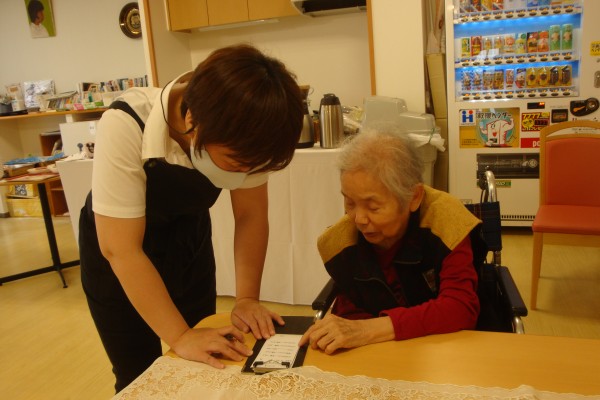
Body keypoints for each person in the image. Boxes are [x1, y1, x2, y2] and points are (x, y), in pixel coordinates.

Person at [79, 43, 303, 392]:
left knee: (205, 364)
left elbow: (251, 215)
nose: (246, 174)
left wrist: (246, 299)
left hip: (187, 243)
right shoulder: (127, 123)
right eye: (237, 164)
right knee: (138, 374)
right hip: (119, 253)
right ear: (192, 122)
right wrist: (180, 336)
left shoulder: (247, 130)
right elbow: (121, 249)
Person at [299, 128, 486, 354]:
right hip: (383, 356)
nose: (359, 219)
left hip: (445, 352)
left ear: (413, 197)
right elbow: (350, 313)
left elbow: (460, 307)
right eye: (350, 203)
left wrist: (372, 329)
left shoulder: (448, 221)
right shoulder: (340, 243)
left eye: (373, 207)